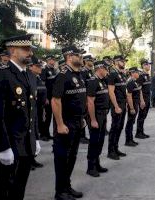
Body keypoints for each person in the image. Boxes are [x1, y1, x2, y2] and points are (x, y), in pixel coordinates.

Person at [0, 34, 41, 200]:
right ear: (13, 50)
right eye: (25, 49)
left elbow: (31, 110)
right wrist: (3, 147)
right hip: (10, 144)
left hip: (26, 144)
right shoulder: (1, 74)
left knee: (20, 187)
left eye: (30, 49)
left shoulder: (30, 75)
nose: (30, 53)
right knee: (3, 189)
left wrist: (35, 137)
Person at [51, 45, 86, 200]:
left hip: (77, 122)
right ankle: (60, 192)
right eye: (79, 55)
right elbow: (55, 101)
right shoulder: (63, 75)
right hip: (66, 124)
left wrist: (82, 118)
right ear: (70, 57)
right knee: (62, 158)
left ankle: (67, 186)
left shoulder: (78, 74)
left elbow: (78, 99)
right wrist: (59, 124)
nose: (82, 57)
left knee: (72, 156)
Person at [86, 61, 109, 177]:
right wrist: (93, 120)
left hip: (103, 114)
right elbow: (90, 102)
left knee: (100, 141)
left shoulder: (102, 81)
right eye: (105, 69)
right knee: (94, 141)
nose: (107, 71)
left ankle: (97, 163)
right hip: (96, 115)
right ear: (100, 68)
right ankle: (91, 167)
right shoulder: (92, 81)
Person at [107, 55, 128, 160]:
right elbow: (111, 92)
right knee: (115, 127)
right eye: (122, 61)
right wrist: (115, 106)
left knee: (120, 127)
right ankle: (110, 151)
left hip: (123, 104)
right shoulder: (112, 74)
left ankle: (116, 148)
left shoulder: (122, 74)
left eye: (124, 61)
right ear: (115, 62)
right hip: (117, 105)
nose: (124, 62)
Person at [28, 56, 46, 170]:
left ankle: (32, 159)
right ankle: (27, 161)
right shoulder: (28, 77)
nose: (40, 68)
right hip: (29, 111)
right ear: (31, 67)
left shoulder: (35, 77)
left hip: (36, 109)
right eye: (38, 66)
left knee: (34, 133)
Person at [125, 67, 145, 146]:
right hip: (132, 104)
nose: (139, 73)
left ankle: (131, 139)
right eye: (137, 72)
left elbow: (139, 90)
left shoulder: (136, 81)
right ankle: (128, 140)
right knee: (130, 122)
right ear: (132, 73)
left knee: (132, 122)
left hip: (136, 103)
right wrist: (132, 108)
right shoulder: (130, 82)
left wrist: (142, 101)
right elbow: (129, 96)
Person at [41, 54, 59, 141]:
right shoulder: (44, 70)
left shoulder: (54, 70)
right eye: (52, 59)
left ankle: (47, 133)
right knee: (46, 116)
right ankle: (44, 134)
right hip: (47, 96)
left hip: (53, 97)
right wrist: (45, 98)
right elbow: (43, 85)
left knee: (51, 116)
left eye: (54, 60)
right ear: (48, 60)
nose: (54, 61)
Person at [79, 55, 95, 144]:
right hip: (85, 97)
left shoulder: (91, 71)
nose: (92, 62)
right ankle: (81, 136)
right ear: (85, 61)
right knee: (84, 117)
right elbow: (83, 86)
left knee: (88, 117)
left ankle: (86, 135)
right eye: (91, 60)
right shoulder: (83, 72)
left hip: (91, 97)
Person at [136, 59, 151, 139]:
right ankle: (138, 133)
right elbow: (139, 89)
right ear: (144, 65)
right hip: (143, 99)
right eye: (148, 64)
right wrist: (141, 101)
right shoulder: (141, 75)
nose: (149, 66)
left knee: (144, 116)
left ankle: (141, 131)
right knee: (141, 116)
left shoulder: (147, 75)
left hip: (147, 98)